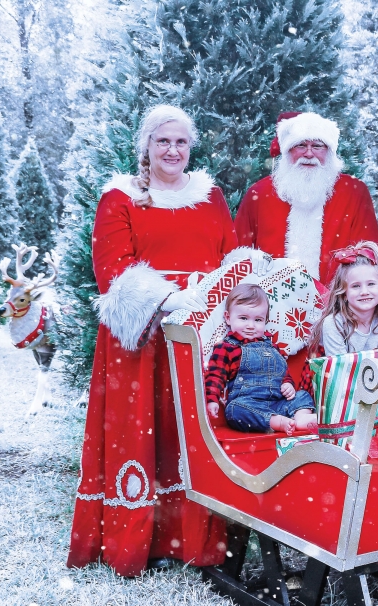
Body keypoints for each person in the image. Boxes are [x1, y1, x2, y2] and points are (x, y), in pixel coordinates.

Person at [67, 104, 235, 577]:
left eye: (181, 141)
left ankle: (194, 538)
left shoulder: (211, 198)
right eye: (163, 141)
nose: (173, 150)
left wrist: (207, 301)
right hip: (140, 339)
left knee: (191, 429)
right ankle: (134, 538)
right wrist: (170, 300)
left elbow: (232, 259)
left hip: (198, 333)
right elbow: (113, 273)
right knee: (138, 431)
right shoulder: (120, 199)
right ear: (145, 146)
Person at [233, 111, 378, 285]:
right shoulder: (259, 193)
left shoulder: (353, 192)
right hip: (271, 307)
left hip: (337, 306)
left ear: (329, 151)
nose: (309, 153)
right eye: (301, 145)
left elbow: (370, 255)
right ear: (287, 150)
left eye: (318, 145)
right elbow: (237, 253)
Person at [205, 284, 318, 434]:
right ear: (228, 318)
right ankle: (276, 422)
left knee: (301, 395)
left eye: (258, 320)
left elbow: (283, 373)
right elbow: (215, 375)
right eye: (243, 318)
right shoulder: (227, 347)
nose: (251, 325)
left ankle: (302, 419)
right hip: (249, 403)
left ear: (265, 320)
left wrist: (288, 385)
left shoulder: (272, 346)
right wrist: (212, 399)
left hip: (278, 403)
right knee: (234, 410)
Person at [310, 241, 378, 355]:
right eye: (355, 286)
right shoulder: (334, 324)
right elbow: (340, 369)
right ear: (343, 293)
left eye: (371, 284)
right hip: (339, 372)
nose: (364, 292)